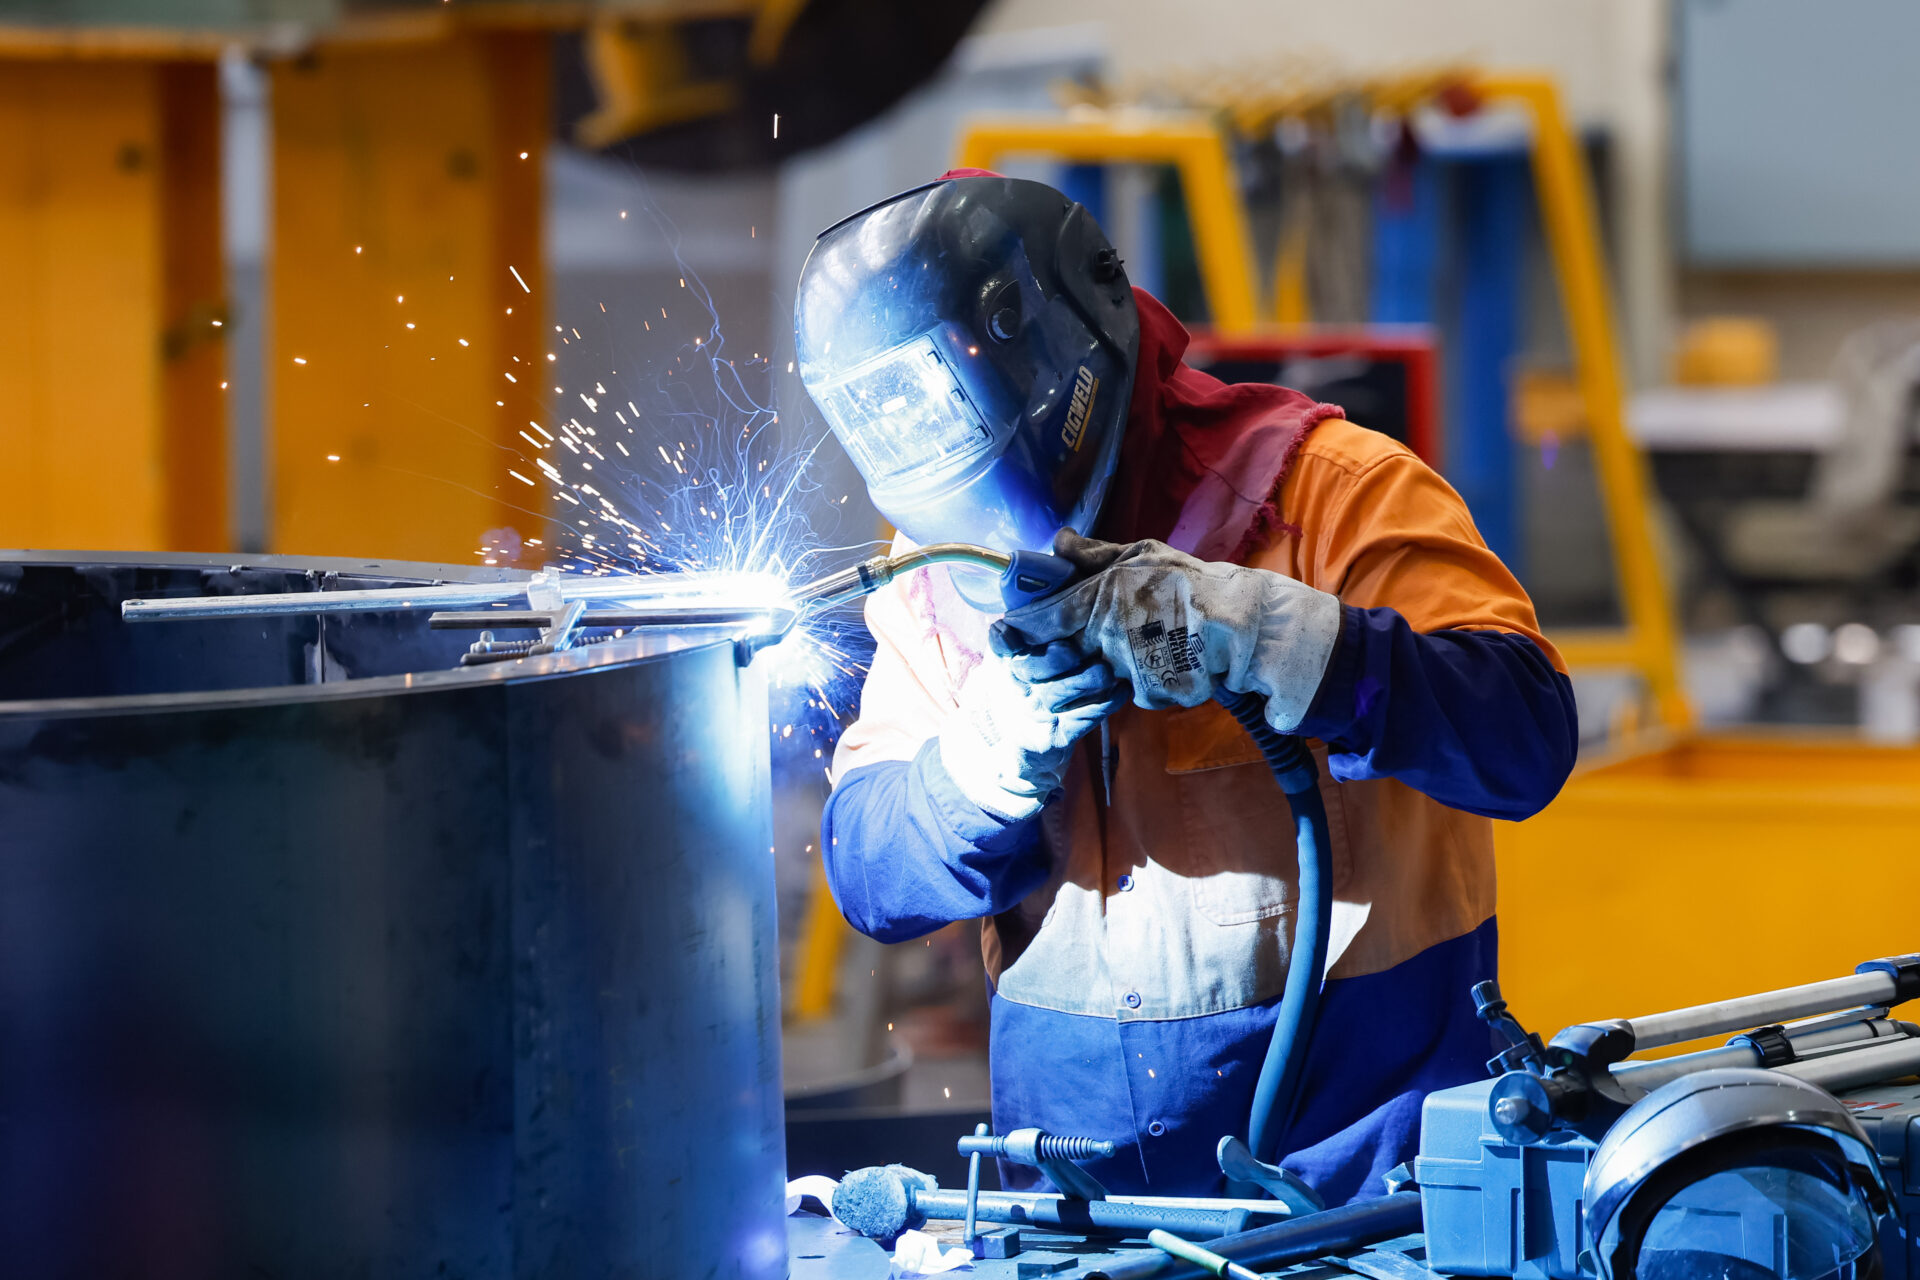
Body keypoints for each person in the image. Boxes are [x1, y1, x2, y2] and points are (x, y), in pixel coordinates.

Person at [794, 171, 1578, 1205]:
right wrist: (980, 767)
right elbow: (871, 873)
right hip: (1078, 1217)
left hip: (1373, 1207)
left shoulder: (1330, 492)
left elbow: (1525, 735)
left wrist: (1287, 642)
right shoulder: (937, 579)